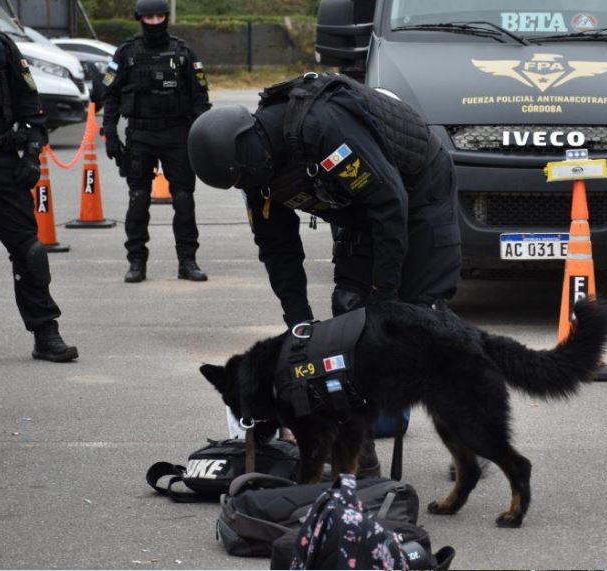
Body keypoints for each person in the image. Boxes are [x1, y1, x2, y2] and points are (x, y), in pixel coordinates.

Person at [187, 73, 462, 475]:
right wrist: (300, 326)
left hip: (418, 191)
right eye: (239, 184)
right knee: (348, 319)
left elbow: (390, 204)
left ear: (252, 150)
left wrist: (385, 300)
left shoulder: (322, 131)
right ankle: (359, 460)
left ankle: (467, 438)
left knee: (422, 321)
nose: (247, 187)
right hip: (359, 208)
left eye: (244, 178)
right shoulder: (255, 173)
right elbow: (278, 250)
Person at [0, 0, 78, 365]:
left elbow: (30, 104)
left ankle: (45, 333)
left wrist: (32, 152)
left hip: (0, 159)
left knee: (30, 251)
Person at [101, 0, 211, 283]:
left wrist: (201, 135)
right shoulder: (126, 53)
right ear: (140, 18)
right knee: (138, 199)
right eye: (148, 17)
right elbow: (110, 95)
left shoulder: (184, 53)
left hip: (177, 134)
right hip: (141, 135)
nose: (154, 22)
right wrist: (109, 133)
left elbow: (200, 99)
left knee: (184, 199)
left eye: (159, 16)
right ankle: (136, 262)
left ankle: (187, 261)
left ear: (166, 17)